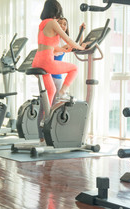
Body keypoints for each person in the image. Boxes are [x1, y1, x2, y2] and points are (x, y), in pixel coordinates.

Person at [32, 0, 87, 143]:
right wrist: (81, 48)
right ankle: (63, 92)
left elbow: (49, 45)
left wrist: (66, 49)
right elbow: (67, 39)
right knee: (74, 68)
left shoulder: (42, 24)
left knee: (49, 91)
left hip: (37, 60)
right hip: (47, 62)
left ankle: (44, 124)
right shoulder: (52, 22)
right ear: (56, 9)